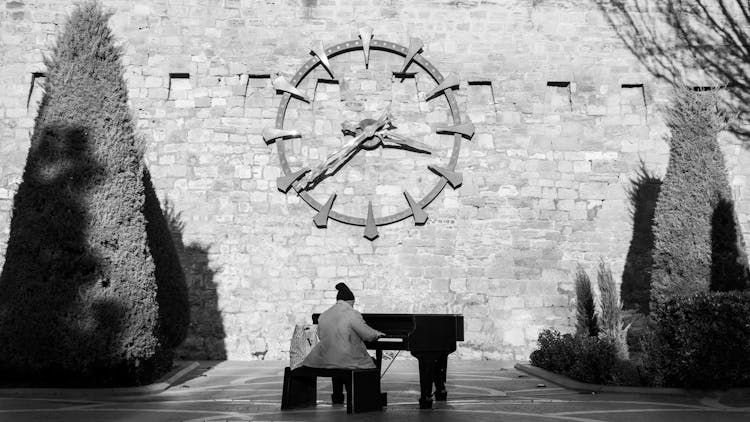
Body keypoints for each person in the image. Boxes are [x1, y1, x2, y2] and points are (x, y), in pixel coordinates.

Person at [302, 282, 385, 404]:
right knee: (372, 363)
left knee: (338, 358)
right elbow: (368, 335)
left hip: (324, 359)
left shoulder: (324, 315)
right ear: (350, 301)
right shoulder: (352, 314)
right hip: (345, 360)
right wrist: (377, 334)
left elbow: (320, 335)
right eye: (353, 303)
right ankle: (367, 400)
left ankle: (337, 396)